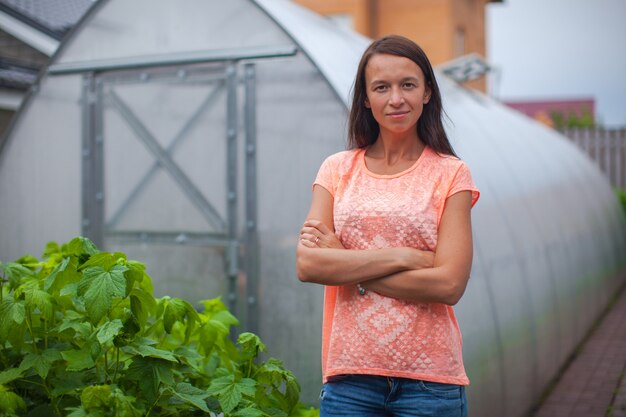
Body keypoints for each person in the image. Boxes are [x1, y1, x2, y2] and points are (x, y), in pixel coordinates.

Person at [296, 35, 480, 417]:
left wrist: (347, 266)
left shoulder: (451, 174)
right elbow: (310, 265)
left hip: (431, 382)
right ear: (366, 98)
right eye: (382, 87)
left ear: (427, 92)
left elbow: (448, 284)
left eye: (407, 84)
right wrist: (405, 257)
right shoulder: (336, 169)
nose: (396, 98)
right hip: (350, 380)